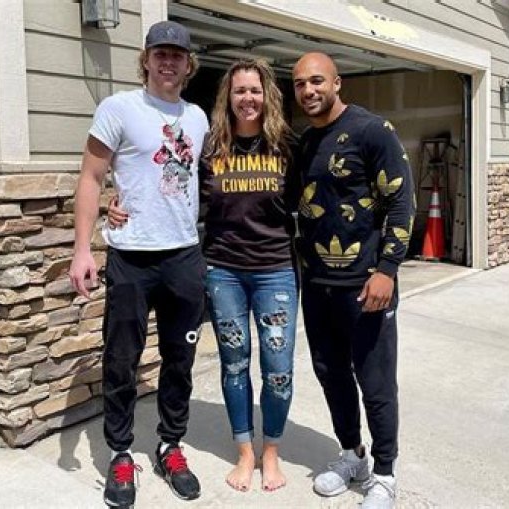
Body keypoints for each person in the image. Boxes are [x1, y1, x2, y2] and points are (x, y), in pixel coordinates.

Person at [108, 58, 299, 493]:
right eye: (239, 91)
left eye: (254, 90)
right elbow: (165, 183)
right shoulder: (210, 147)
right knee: (235, 364)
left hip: (275, 272)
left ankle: (270, 451)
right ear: (227, 98)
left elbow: (311, 199)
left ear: (267, 95)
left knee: (278, 370)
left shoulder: (287, 145)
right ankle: (245, 451)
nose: (247, 98)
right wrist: (116, 203)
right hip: (224, 270)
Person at [68, 21, 208, 507]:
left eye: (177, 55)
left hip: (184, 255)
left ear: (188, 65)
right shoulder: (119, 108)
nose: (168, 62)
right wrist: (82, 249)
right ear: (145, 59)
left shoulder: (198, 118)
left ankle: (171, 445)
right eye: (160, 53)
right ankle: (121, 452)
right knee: (121, 360)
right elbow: (91, 176)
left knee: (180, 360)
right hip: (131, 257)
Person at [291, 52, 414, 509]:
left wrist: (387, 270)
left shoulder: (372, 131)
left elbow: (401, 202)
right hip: (317, 285)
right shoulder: (306, 143)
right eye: (300, 84)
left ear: (337, 82)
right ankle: (352, 455)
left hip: (366, 286)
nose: (308, 91)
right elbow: (290, 203)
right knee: (332, 375)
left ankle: (384, 473)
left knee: (376, 383)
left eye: (317, 81)